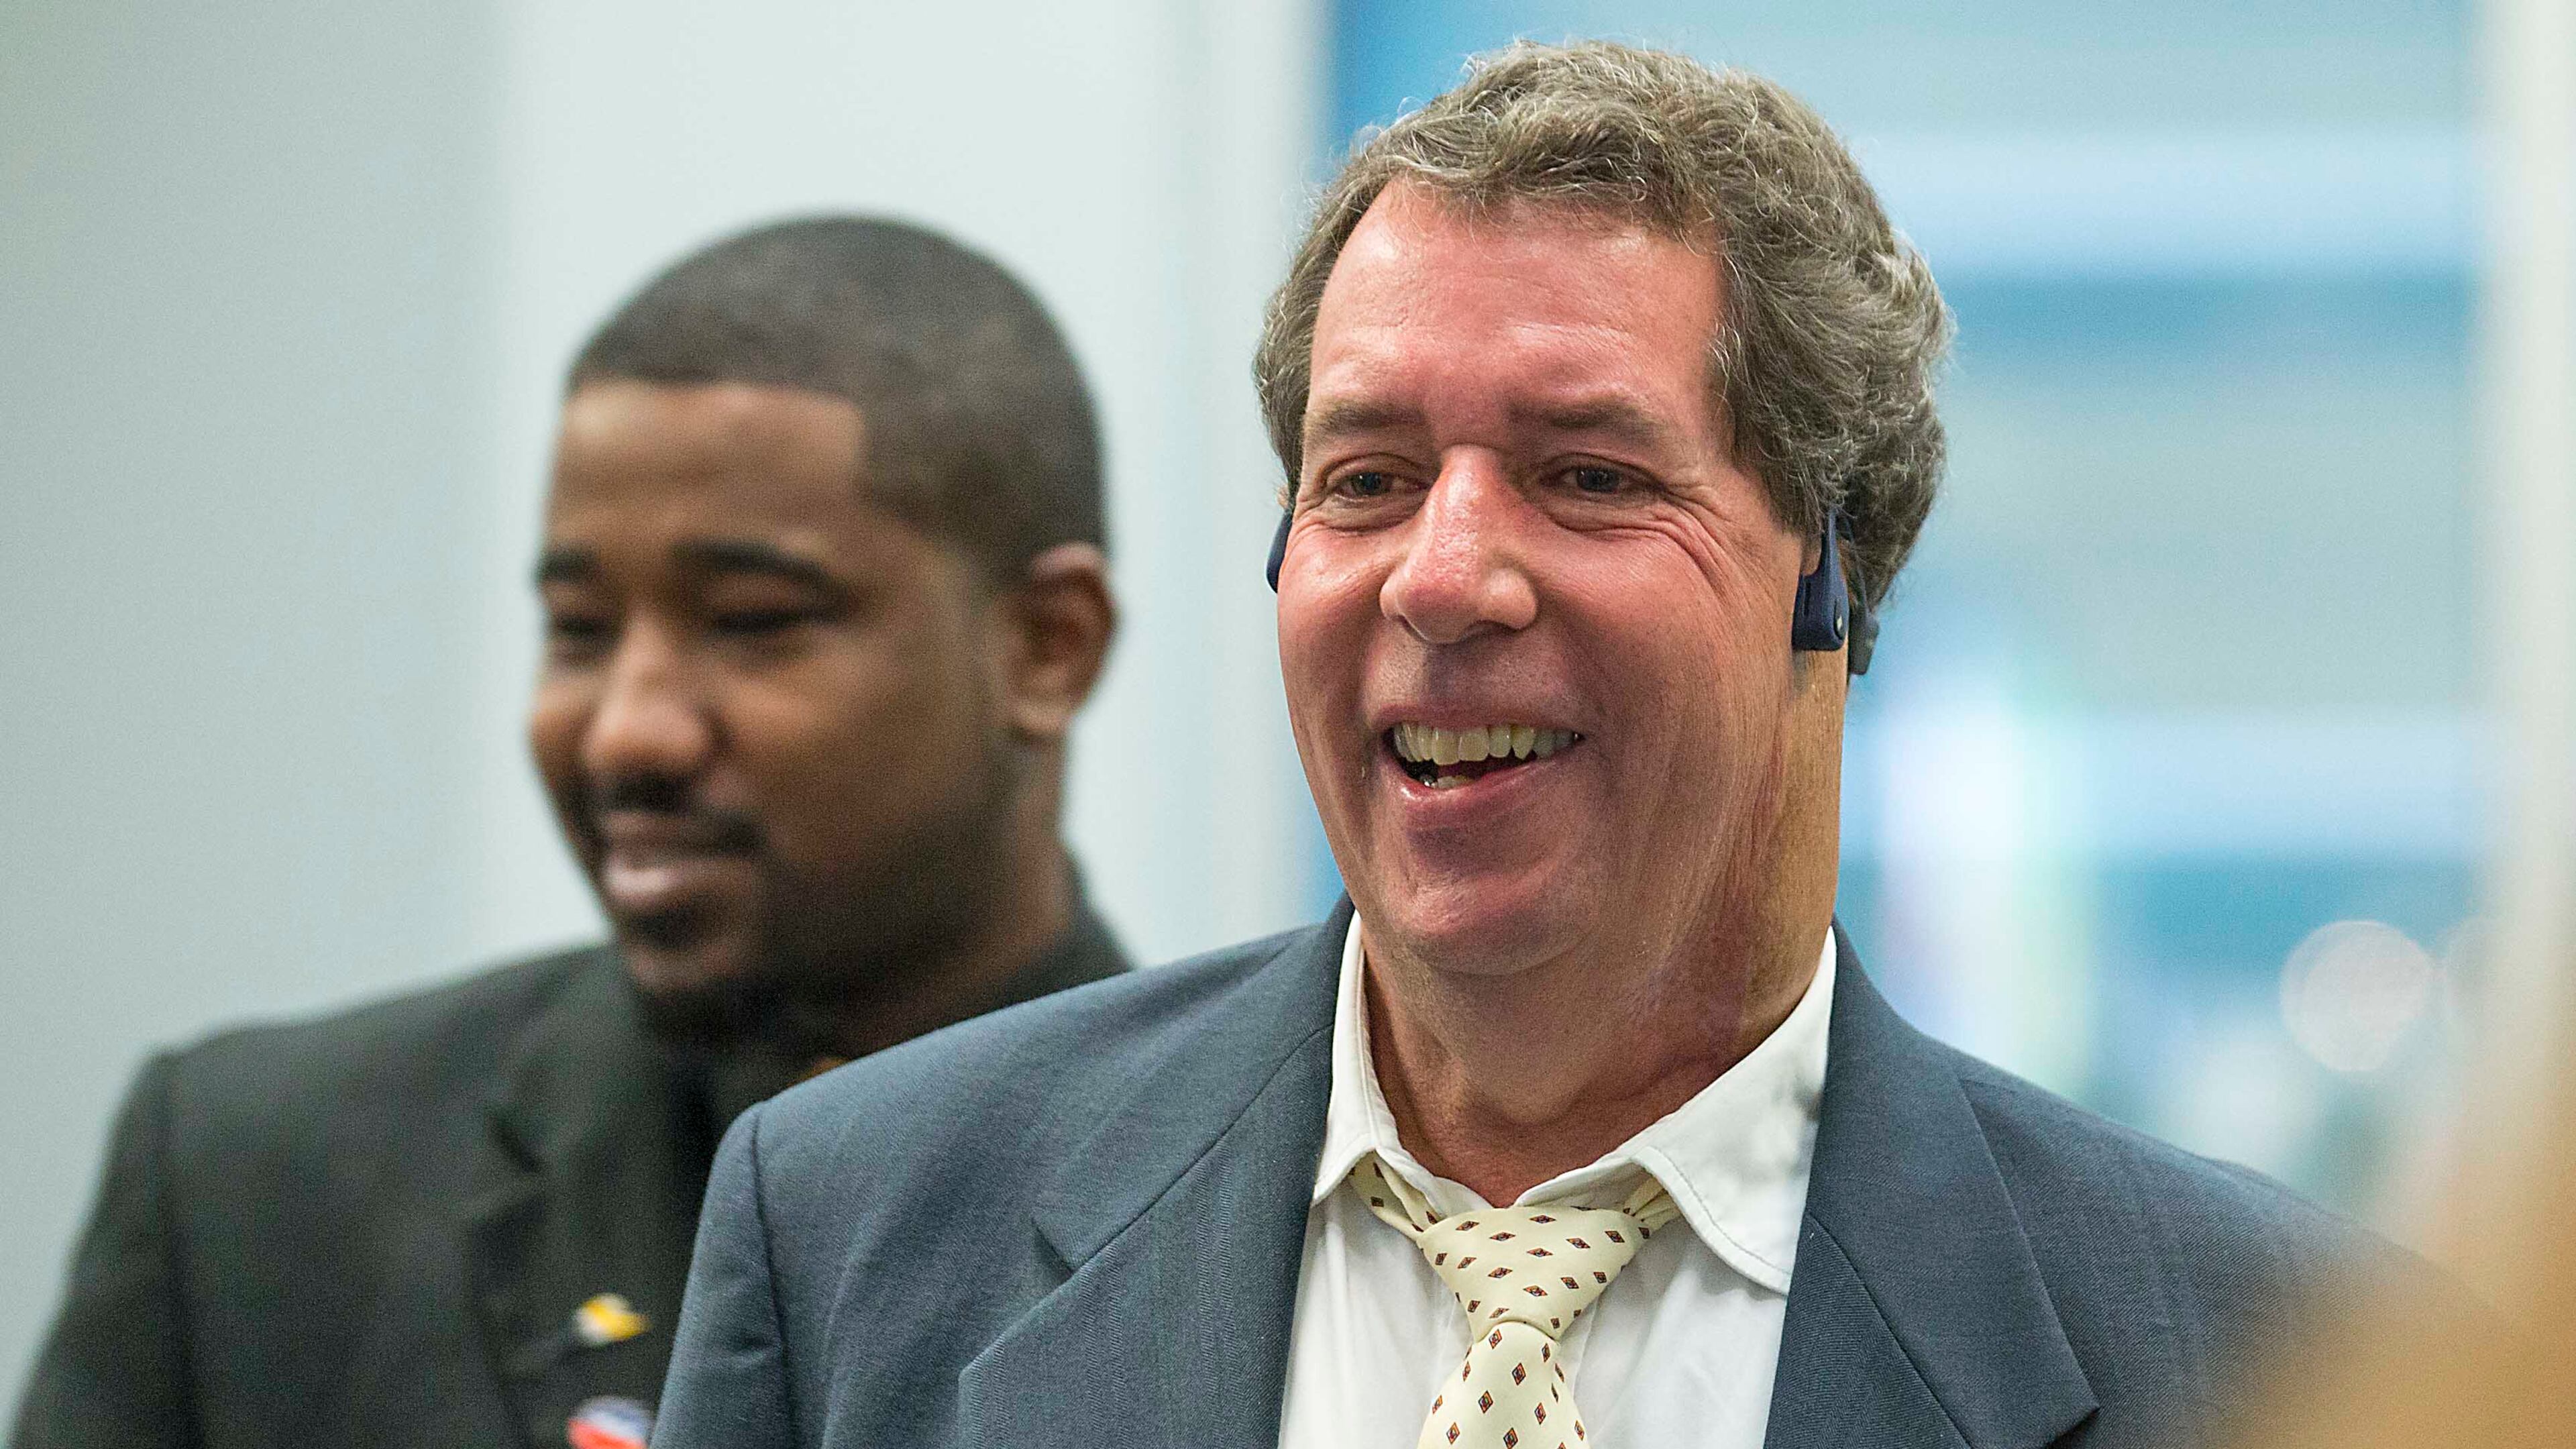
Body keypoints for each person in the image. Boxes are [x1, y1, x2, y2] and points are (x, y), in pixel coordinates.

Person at [651, 44, 2404, 1449]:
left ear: (1830, 563)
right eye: (1367, 482)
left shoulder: (2288, 1363)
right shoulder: (857, 1240)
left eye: (1588, 475)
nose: (1443, 575)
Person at [13, 216, 1128, 1449]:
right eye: (579, 629)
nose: (623, 735)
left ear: (1046, 647)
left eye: (754, 621)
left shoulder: (1263, 1192)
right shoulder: (256, 1193)